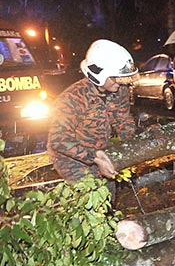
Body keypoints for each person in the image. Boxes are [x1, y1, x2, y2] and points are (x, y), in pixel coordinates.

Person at [47, 39, 138, 187]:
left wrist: (130, 146)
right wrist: (94, 157)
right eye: (114, 78)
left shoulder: (120, 91)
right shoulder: (71, 99)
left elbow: (123, 120)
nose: (120, 82)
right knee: (92, 193)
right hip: (71, 159)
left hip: (101, 150)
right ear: (99, 74)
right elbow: (59, 139)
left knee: (108, 191)